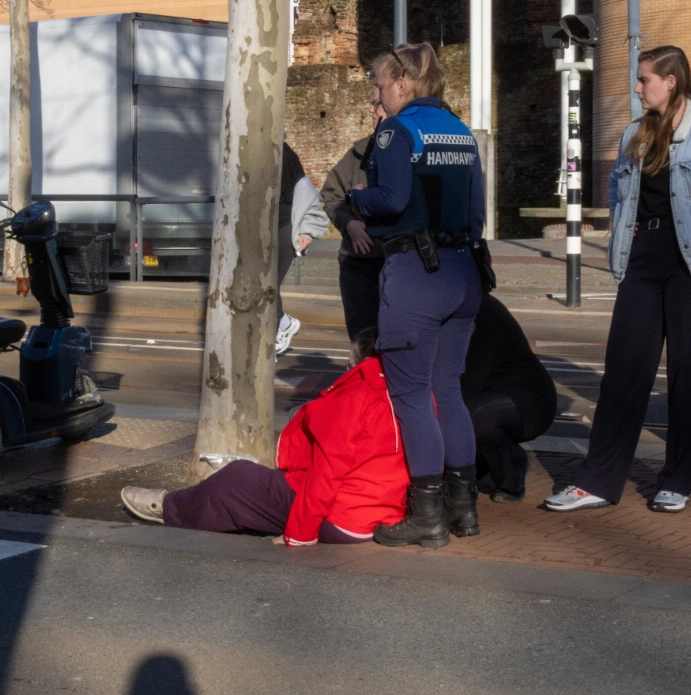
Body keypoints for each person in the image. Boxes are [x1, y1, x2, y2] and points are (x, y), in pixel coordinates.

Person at [544, 46, 691, 515]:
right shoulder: (634, 133)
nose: (637, 87)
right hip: (642, 260)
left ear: (671, 80)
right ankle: (597, 481)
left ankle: (677, 480)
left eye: (644, 79)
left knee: (689, 374)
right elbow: (617, 191)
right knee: (623, 373)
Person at [349, 42, 485, 548]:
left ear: (402, 84)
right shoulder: (460, 131)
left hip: (416, 273)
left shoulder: (396, 130)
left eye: (381, 85)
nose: (378, 95)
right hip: (464, 272)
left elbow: (391, 199)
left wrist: (354, 199)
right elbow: (476, 214)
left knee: (411, 395)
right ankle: (464, 510)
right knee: (448, 391)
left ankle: (426, 518)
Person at [119, 330, 408, 544]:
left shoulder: (356, 397)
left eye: (348, 365)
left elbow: (327, 474)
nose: (346, 371)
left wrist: (299, 536)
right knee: (256, 483)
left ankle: (171, 507)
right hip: (384, 513)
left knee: (237, 478)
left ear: (361, 363)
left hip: (344, 517)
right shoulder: (413, 394)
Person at [461, 294, 557, 503]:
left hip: (528, 399)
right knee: (464, 412)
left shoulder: (482, 312)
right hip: (488, 395)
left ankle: (511, 471)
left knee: (471, 415)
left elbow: (470, 381)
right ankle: (481, 460)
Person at [320, 89, 387, 340]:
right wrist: (349, 224)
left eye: (376, 104)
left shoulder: (411, 148)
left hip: (397, 262)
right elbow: (332, 193)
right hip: (358, 263)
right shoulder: (359, 152)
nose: (371, 110)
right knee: (363, 339)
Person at [276, 142, 325, 356]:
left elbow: (305, 194)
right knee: (261, 288)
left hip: (282, 228)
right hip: (260, 229)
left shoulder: (285, 153)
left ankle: (274, 338)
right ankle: (283, 323)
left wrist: (306, 232)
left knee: (266, 288)